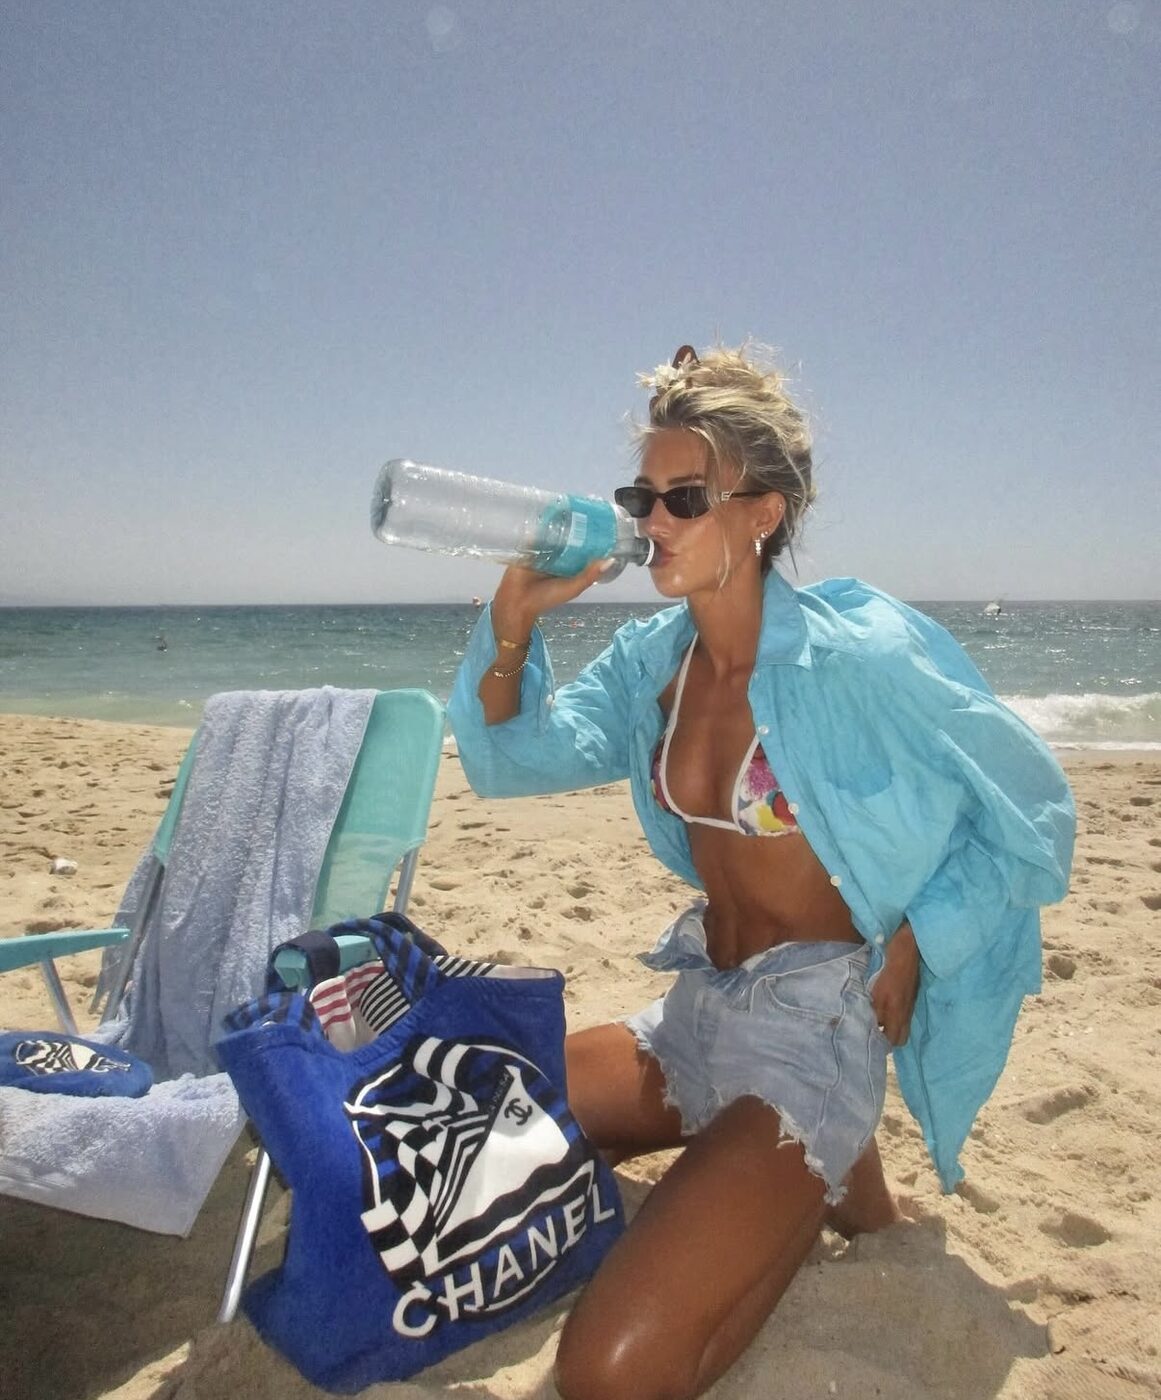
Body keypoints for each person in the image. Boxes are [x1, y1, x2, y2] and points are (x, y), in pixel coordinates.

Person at [447, 343, 1075, 1400]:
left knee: (608, 1372)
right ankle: (817, 1177)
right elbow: (516, 755)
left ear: (763, 513)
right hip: (695, 1010)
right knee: (466, 1120)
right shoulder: (655, 660)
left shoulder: (856, 654)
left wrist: (919, 935)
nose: (652, 521)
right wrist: (512, 627)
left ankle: (808, 1156)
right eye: (641, 496)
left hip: (809, 1032)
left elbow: (1032, 809)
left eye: (684, 497)